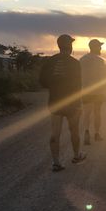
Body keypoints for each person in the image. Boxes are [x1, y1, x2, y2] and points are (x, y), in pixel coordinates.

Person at [39, 34, 87, 171]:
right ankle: (77, 155)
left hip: (55, 101)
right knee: (74, 130)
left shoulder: (50, 62)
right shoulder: (75, 63)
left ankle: (56, 162)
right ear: (70, 46)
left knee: (55, 133)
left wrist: (54, 86)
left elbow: (42, 82)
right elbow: (78, 85)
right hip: (72, 103)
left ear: (59, 46)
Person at [79, 39, 106, 145]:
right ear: (95, 47)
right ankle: (97, 133)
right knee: (97, 112)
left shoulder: (82, 60)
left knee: (86, 113)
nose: (101, 48)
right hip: (98, 91)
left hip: (85, 90)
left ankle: (86, 132)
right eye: (99, 46)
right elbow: (103, 77)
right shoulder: (100, 61)